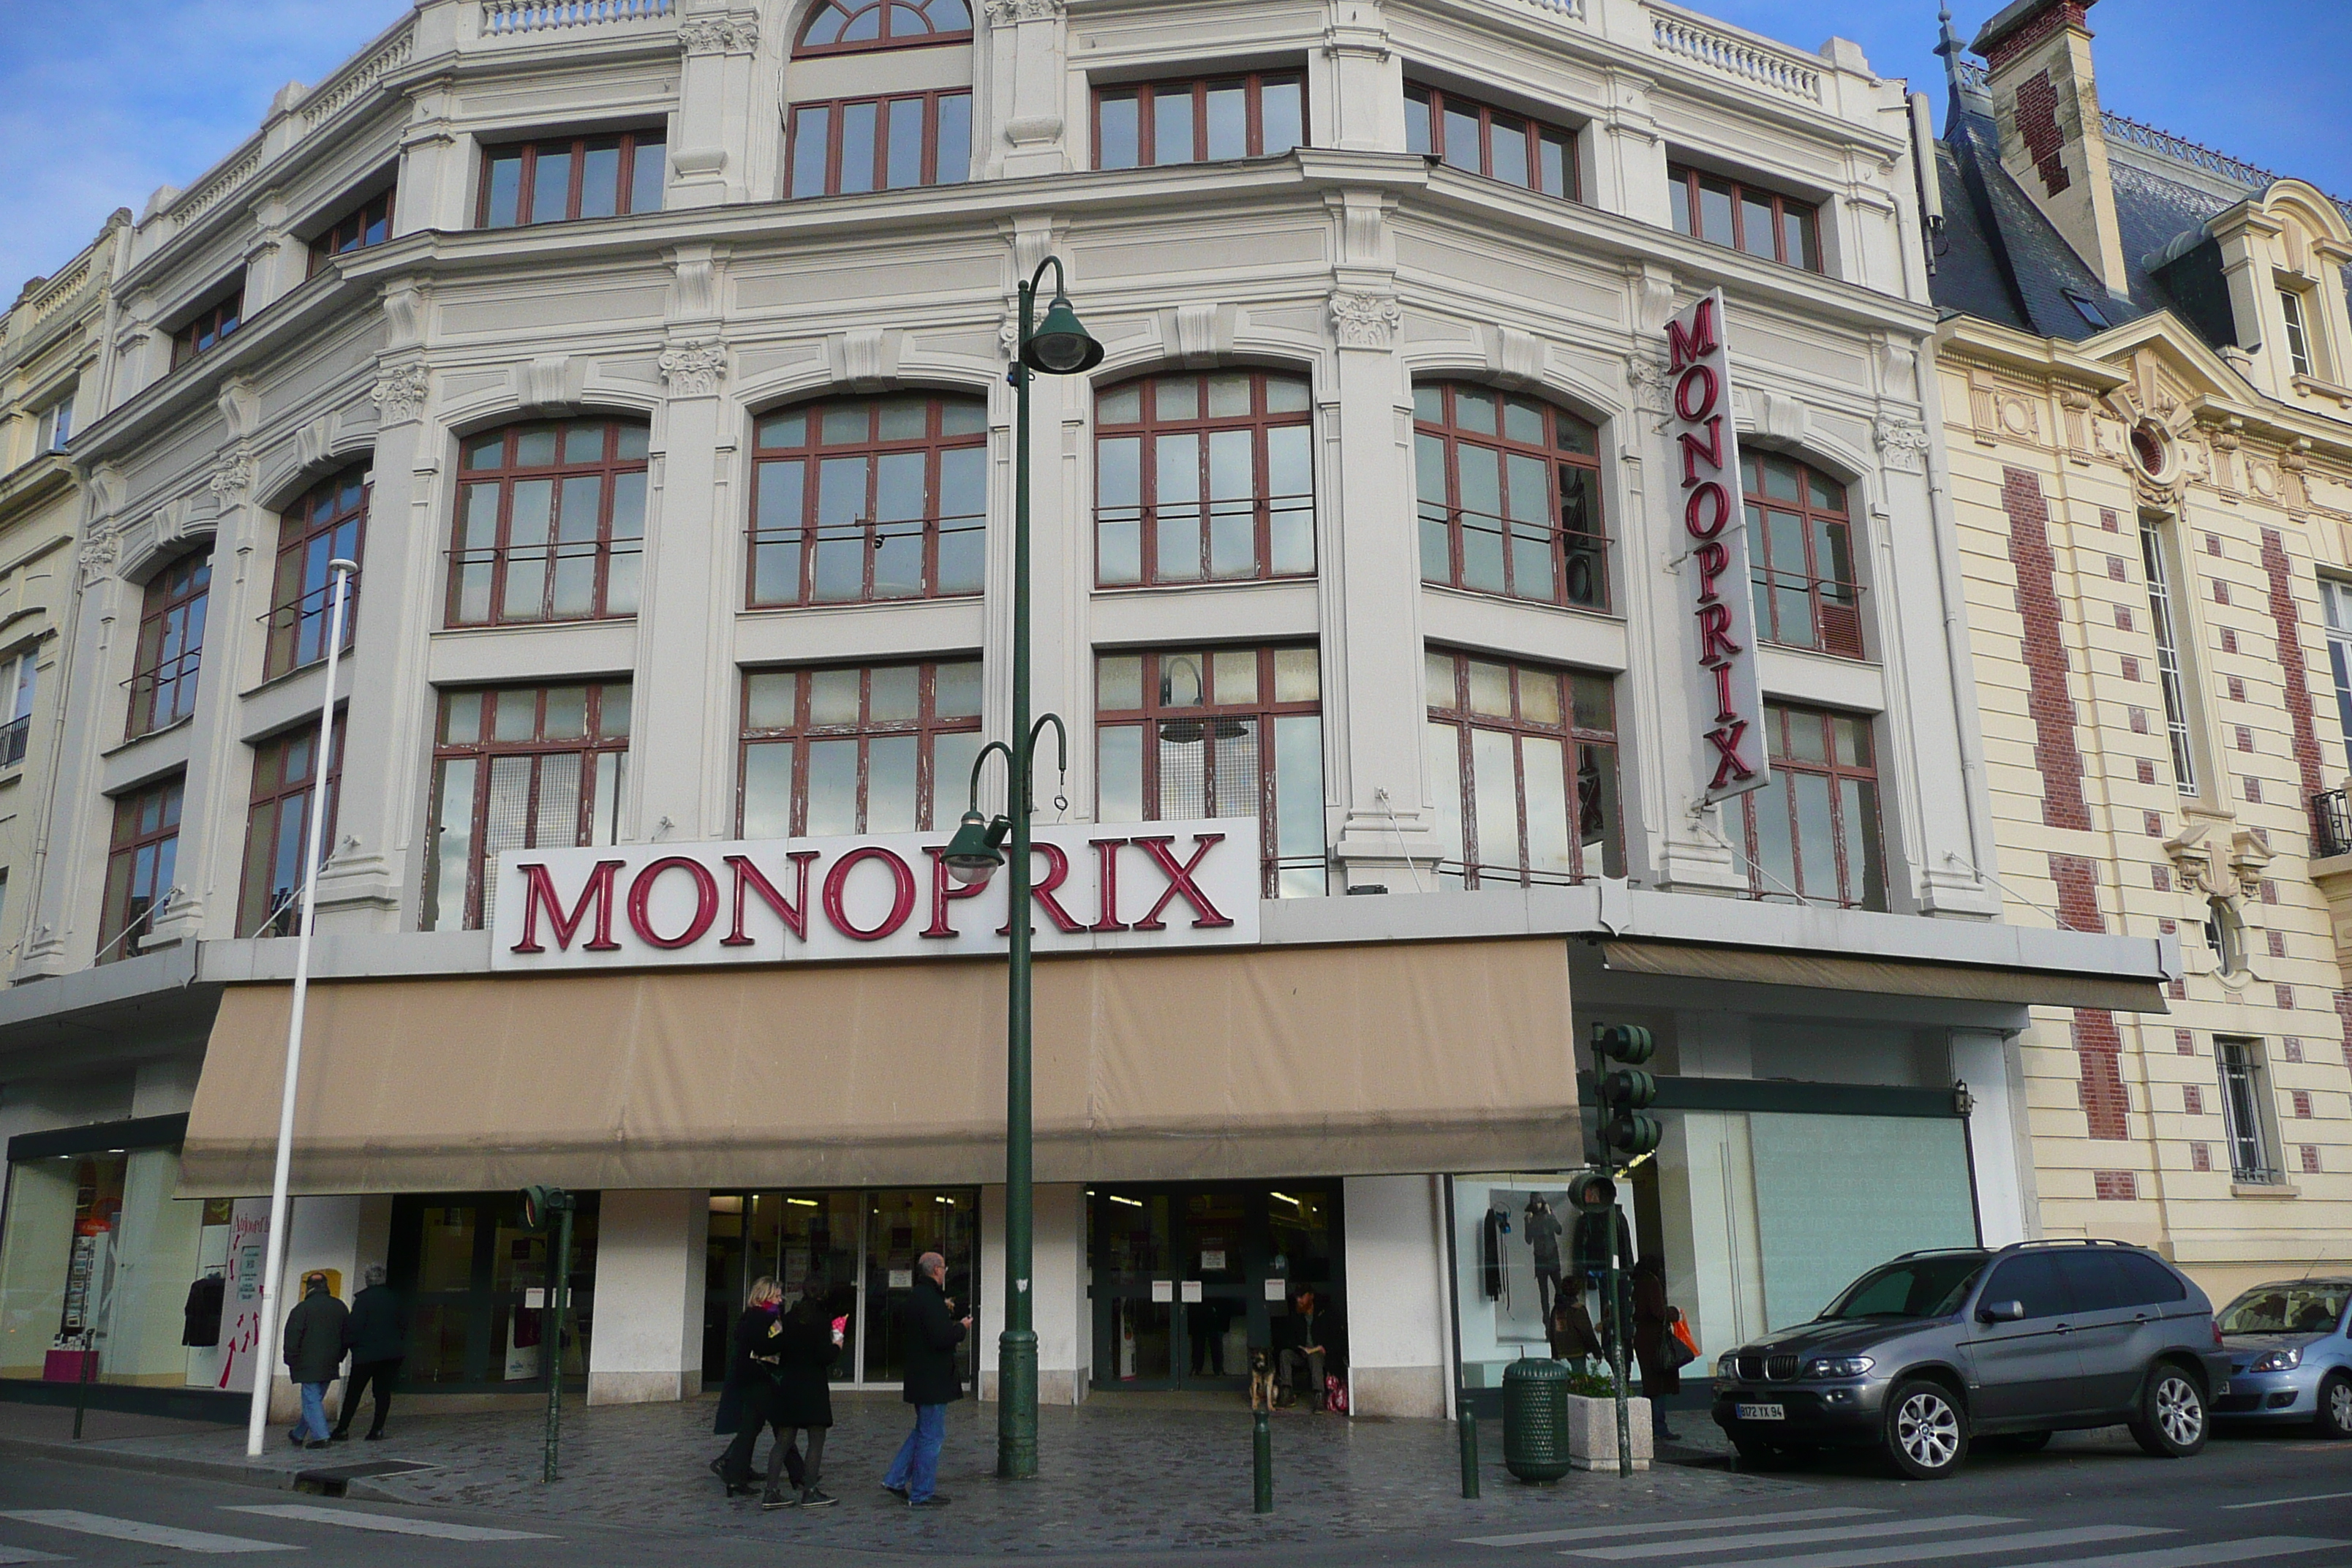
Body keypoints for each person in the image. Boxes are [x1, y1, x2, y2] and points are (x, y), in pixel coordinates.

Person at [881, 1251, 967, 1507]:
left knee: (922, 1432)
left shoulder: (918, 1296)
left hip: (921, 1377)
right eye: (944, 1268)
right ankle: (921, 1493)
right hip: (933, 1380)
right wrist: (961, 1328)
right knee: (932, 1437)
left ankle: (895, 1479)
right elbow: (941, 1338)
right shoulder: (929, 1299)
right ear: (937, 1270)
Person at [766, 1284, 843, 1510]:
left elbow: (774, 1344)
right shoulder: (821, 1320)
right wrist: (837, 1346)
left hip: (789, 1385)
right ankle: (810, 1490)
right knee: (816, 1439)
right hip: (813, 1386)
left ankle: (770, 1492)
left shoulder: (788, 1318)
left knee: (783, 1441)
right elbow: (823, 1355)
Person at [711, 1277, 788, 1498]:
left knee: (751, 1427)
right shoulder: (758, 1316)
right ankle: (798, 1473)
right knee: (778, 1426)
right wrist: (784, 1341)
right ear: (765, 1296)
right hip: (755, 1377)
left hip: (756, 1377)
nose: (780, 1299)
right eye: (776, 1296)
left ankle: (736, 1471)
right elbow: (762, 1346)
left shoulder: (768, 1316)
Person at [331, 1263, 404, 1441]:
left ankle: (342, 1429)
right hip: (391, 1354)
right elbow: (403, 1325)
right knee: (382, 1392)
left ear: (367, 1280)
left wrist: (344, 1350)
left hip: (366, 1355)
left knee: (354, 1392)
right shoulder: (395, 1298)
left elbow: (353, 1328)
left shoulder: (363, 1301)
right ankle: (377, 1429)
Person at [281, 1271, 348, 1450]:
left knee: (312, 1399)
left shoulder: (302, 1309)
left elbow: (292, 1336)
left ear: (308, 1287)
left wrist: (290, 1359)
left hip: (307, 1362)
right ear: (326, 1286)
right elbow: (346, 1335)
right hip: (331, 1361)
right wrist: (340, 1356)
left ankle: (322, 1437)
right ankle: (298, 1433)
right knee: (314, 1399)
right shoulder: (339, 1306)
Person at [1630, 1254, 1681, 1441]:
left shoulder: (1636, 1282)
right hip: (1654, 1339)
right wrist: (1674, 1313)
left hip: (1643, 1338)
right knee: (1657, 1385)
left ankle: (1649, 1424)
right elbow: (1658, 1312)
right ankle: (1658, 1426)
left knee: (1650, 1384)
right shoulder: (1651, 1283)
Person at [1274, 1285, 1343, 1411]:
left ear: (1311, 1296)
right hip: (1302, 1354)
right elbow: (1288, 1338)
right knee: (1285, 1354)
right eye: (1297, 1297)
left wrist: (1324, 1348)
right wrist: (1299, 1348)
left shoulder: (1325, 1313)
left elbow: (1336, 1335)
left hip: (1321, 1355)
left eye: (1302, 1297)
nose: (1299, 1300)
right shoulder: (1296, 1316)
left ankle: (1319, 1396)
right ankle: (1287, 1392)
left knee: (1315, 1357)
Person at [1524, 1196, 1565, 1322]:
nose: (1537, 1205)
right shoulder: (1531, 1218)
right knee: (1544, 1296)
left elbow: (1559, 1230)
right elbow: (1528, 1240)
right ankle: (1548, 1325)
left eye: (1539, 1202)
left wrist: (1549, 1215)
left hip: (1552, 1258)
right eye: (1535, 1203)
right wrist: (1528, 1224)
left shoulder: (1549, 1215)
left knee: (1560, 1291)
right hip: (1541, 1260)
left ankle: (1559, 1319)